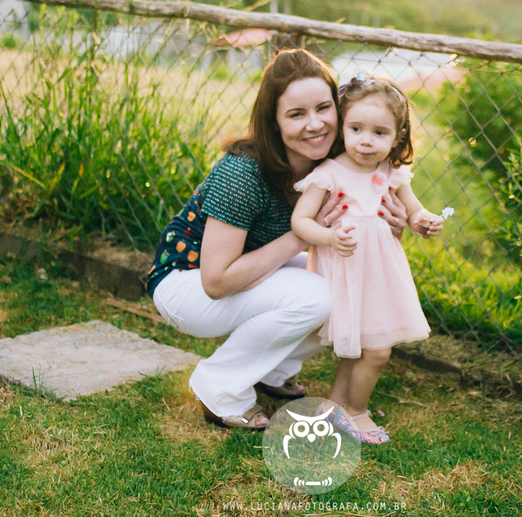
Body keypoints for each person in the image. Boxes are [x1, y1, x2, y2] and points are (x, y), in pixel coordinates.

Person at [147, 49, 409, 430]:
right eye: (296, 114)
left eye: (323, 108)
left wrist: (396, 223)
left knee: (343, 283)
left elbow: (366, 238)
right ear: (273, 123)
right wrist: (299, 233)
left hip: (250, 269)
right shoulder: (241, 174)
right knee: (315, 296)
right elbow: (216, 282)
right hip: (185, 283)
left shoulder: (339, 162)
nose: (315, 124)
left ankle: (274, 372)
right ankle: (218, 388)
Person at [290, 73, 442, 444]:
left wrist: (423, 221)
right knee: (376, 351)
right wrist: (328, 237)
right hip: (347, 271)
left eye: (380, 133)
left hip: (381, 275)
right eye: (356, 128)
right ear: (342, 128)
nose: (366, 141)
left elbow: (412, 212)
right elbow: (300, 221)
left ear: (397, 137)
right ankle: (357, 411)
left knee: (363, 349)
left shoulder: (391, 174)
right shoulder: (328, 175)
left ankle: (337, 406)